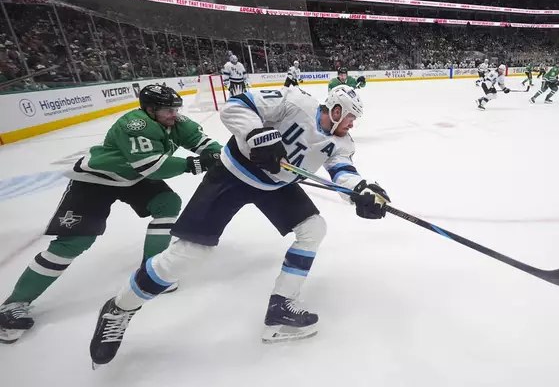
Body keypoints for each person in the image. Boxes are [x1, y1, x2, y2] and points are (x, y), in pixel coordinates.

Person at [88, 85, 391, 368]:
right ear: (336, 110)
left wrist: (362, 191)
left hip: (275, 185)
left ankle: (280, 307)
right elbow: (236, 106)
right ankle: (120, 307)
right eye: (351, 116)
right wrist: (257, 134)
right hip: (231, 175)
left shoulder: (341, 142)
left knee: (314, 228)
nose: (353, 123)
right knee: (190, 255)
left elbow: (342, 171)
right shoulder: (296, 102)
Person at [0, 84, 222, 344]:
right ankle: (12, 305)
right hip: (98, 179)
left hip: (132, 179)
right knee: (75, 242)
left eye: (175, 108)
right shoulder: (136, 124)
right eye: (167, 110)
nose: (174, 114)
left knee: (168, 203)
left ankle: (152, 272)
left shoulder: (176, 121)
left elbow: (203, 142)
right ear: (150, 110)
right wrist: (193, 164)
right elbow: (151, 166)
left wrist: (216, 153)